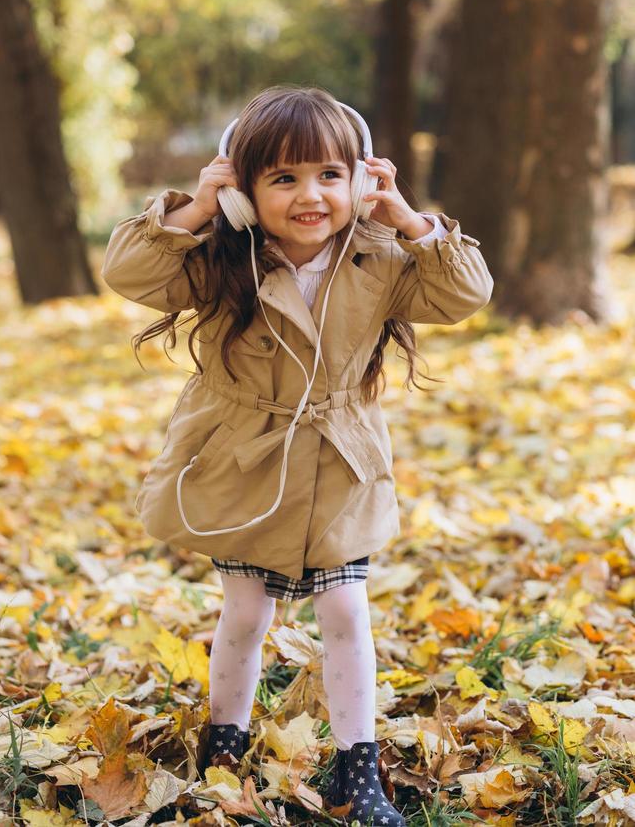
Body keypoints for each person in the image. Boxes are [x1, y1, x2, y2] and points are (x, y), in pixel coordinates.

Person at [101, 85, 493, 825]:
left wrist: (408, 219)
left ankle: (357, 767)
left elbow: (466, 292)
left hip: (339, 464)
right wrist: (195, 210)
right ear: (245, 191)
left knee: (345, 608)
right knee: (245, 614)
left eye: (328, 175)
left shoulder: (377, 254)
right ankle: (225, 742)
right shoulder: (224, 255)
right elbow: (129, 273)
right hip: (246, 463)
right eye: (282, 179)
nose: (309, 195)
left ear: (360, 180)